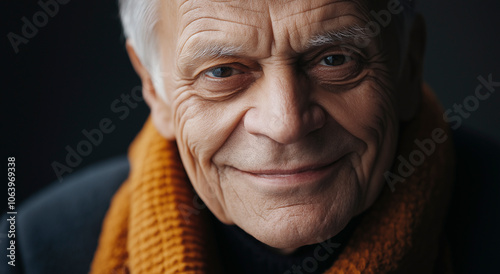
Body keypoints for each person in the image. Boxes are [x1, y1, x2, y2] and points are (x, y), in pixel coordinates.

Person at [2, 0, 499, 273]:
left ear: (409, 65)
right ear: (154, 90)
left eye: (334, 59)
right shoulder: (35, 250)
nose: (286, 122)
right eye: (222, 72)